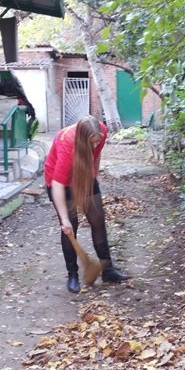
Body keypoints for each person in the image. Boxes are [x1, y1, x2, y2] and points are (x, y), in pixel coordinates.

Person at [45, 115, 130, 293]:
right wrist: (64, 219)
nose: (95, 145)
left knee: (98, 219)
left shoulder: (101, 132)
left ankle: (107, 270)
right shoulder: (67, 146)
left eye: (97, 140)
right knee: (71, 225)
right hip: (61, 182)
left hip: (84, 173)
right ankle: (73, 275)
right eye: (92, 142)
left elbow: (95, 155)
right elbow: (57, 184)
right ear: (82, 140)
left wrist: (94, 177)